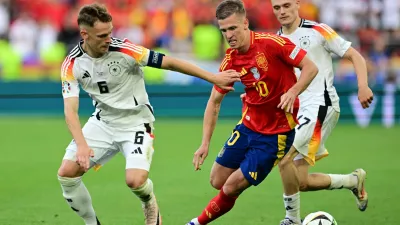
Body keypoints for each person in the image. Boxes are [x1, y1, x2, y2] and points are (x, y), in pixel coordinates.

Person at [56, 3, 241, 225]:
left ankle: (149, 201)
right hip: (103, 122)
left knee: (134, 181)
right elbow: (70, 111)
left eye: (110, 32)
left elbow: (170, 62)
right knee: (66, 173)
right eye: (102, 35)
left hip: (136, 123)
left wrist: (213, 77)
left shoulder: (126, 50)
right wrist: (82, 145)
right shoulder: (72, 63)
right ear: (84, 34)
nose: (108, 39)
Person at [241, 0, 374, 224]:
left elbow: (355, 56)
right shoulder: (275, 40)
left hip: (321, 104)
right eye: (276, 8)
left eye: (286, 5)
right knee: (300, 181)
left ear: (297, 4)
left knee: (284, 158)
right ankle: (353, 181)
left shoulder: (318, 30)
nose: (282, 11)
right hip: (296, 110)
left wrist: (363, 86)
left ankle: (291, 219)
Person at [186, 0, 318, 224]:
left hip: (276, 134)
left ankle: (196, 222)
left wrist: (293, 92)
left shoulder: (273, 44)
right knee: (217, 180)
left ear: (245, 23)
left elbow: (310, 67)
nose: (228, 35)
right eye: (224, 30)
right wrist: (204, 143)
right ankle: (246, 176)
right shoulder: (231, 60)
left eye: (233, 28)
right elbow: (214, 102)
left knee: (229, 186)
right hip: (248, 127)